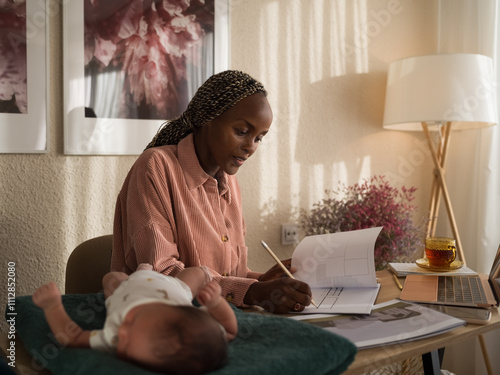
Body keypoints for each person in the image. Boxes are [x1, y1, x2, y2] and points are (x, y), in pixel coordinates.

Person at [111, 69, 312, 314]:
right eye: (241, 131)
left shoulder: (229, 183)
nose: (250, 147)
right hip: (158, 323)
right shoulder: (155, 167)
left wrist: (260, 281)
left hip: (217, 321)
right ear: (208, 119)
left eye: (259, 138)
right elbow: (161, 275)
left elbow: (228, 277)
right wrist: (253, 290)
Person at [32, 264, 237, 375]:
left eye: (127, 346)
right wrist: (215, 303)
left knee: (111, 278)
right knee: (196, 272)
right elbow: (229, 330)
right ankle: (147, 269)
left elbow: (72, 337)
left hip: (123, 291)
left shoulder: (115, 339)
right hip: (172, 287)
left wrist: (53, 306)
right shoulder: (187, 313)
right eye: (133, 320)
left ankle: (141, 270)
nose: (122, 329)